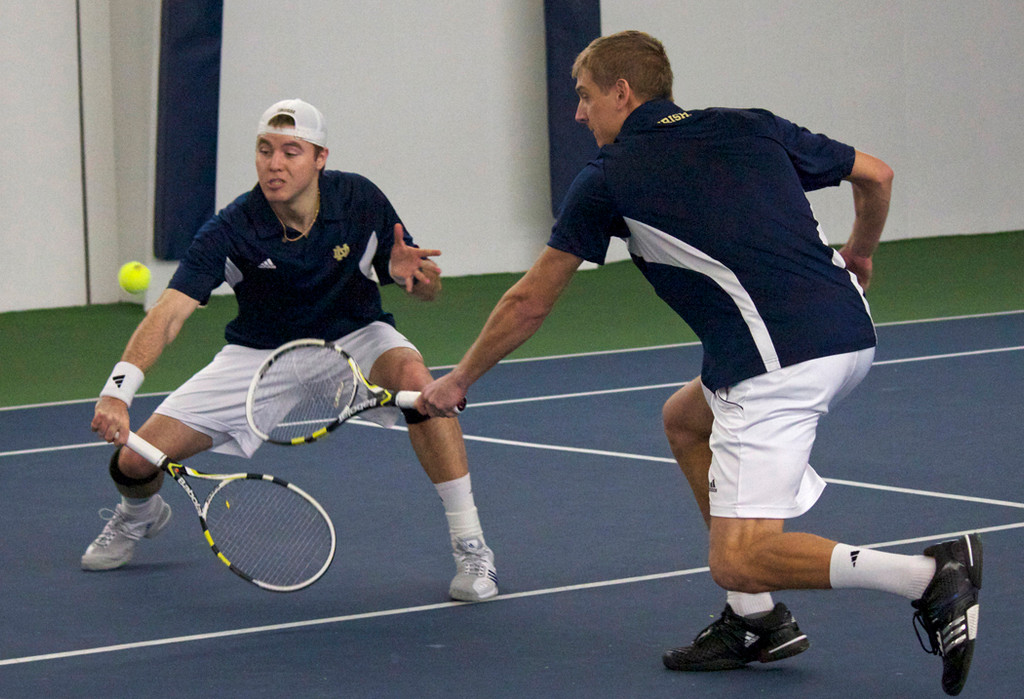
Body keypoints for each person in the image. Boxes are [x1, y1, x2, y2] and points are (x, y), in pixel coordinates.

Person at [418, 31, 981, 695]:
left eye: (585, 96)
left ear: (622, 93)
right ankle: (756, 623)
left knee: (740, 557)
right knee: (685, 420)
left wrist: (457, 379)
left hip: (779, 364)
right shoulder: (752, 125)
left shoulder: (606, 178)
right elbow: (877, 175)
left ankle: (929, 575)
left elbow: (528, 302)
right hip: (852, 330)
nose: (578, 113)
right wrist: (860, 251)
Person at [84, 98, 499, 603]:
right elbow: (168, 313)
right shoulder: (231, 228)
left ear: (320, 158)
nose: (274, 163)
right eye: (264, 150)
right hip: (259, 354)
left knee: (421, 388)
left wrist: (418, 281)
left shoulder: (359, 199)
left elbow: (418, 280)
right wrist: (116, 392)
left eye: (290, 151)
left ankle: (471, 547)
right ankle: (139, 515)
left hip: (355, 337)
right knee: (135, 460)